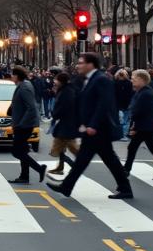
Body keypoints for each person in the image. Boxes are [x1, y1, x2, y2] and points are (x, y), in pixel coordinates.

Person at [51, 51, 136, 200]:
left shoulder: (101, 79)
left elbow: (104, 104)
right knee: (94, 159)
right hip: (92, 128)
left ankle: (67, 186)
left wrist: (93, 125)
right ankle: (67, 186)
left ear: (91, 64)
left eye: (81, 62)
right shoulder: (86, 79)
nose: (78, 65)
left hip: (99, 129)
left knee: (96, 160)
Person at [124, 69, 153, 181]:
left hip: (146, 127)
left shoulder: (146, 93)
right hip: (146, 126)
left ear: (141, 80)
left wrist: (134, 126)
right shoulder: (142, 92)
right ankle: (126, 170)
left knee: (147, 149)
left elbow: (139, 111)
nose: (132, 81)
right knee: (138, 148)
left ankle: (126, 171)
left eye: (134, 79)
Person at [2, 62, 43, 185]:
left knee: (16, 151)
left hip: (24, 126)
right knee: (22, 151)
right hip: (21, 124)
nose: (11, 77)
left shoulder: (25, 87)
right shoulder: (22, 85)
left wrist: (21, 124)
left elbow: (31, 107)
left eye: (13, 75)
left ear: (17, 76)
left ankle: (39, 169)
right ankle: (24, 176)